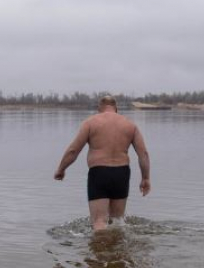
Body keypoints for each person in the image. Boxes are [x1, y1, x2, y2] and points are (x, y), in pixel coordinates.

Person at [54, 96, 151, 230]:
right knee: (118, 221)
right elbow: (143, 154)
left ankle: (100, 249)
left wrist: (61, 169)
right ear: (116, 108)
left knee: (99, 221)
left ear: (99, 107)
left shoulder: (90, 123)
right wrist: (145, 178)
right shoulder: (130, 125)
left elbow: (73, 150)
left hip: (99, 172)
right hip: (121, 173)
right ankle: (118, 250)